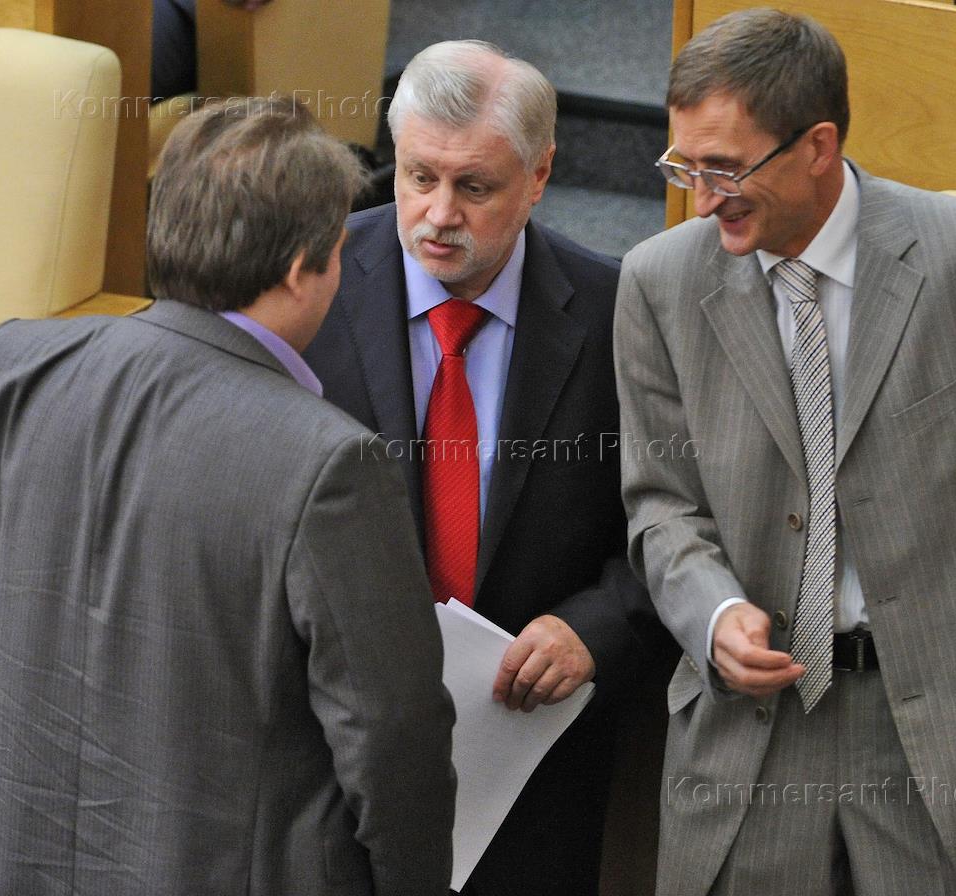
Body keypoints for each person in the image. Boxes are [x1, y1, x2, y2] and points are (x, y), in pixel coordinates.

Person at [615, 9, 956, 896]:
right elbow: (660, 504)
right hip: (751, 737)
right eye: (685, 166)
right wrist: (714, 614)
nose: (703, 197)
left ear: (818, 146)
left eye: (726, 168)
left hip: (939, 745)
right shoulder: (658, 281)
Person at [0, 97, 455, 896]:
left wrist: (15, 637)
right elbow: (392, 740)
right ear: (300, 268)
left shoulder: (16, 364)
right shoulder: (331, 463)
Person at [302, 39, 664, 896]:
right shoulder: (311, 280)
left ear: (539, 176)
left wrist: (596, 627)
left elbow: (675, 522)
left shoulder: (618, 312)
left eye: (474, 187)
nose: (438, 213)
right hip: (328, 748)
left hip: (528, 753)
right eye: (418, 176)